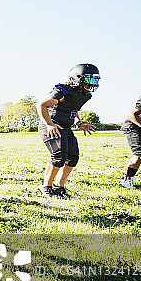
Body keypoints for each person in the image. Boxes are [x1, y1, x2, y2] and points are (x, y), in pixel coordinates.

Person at [36, 63, 100, 198]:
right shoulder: (63, 91)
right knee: (58, 156)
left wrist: (78, 122)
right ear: (78, 78)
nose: (92, 84)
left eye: (95, 80)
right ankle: (45, 186)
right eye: (89, 79)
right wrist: (49, 124)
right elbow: (42, 105)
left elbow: (73, 109)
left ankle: (59, 187)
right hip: (52, 125)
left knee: (72, 157)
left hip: (65, 126)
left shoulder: (84, 95)